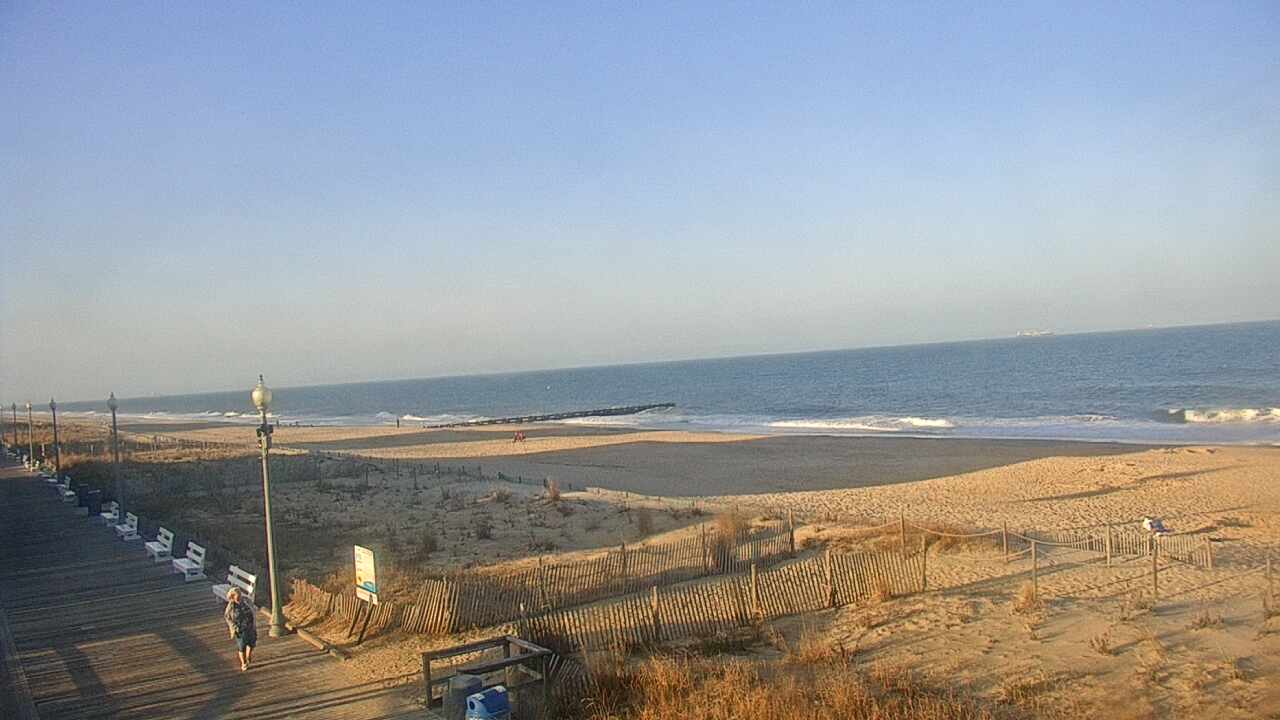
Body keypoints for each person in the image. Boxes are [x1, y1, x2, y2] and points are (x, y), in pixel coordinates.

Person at [224, 587, 257, 671]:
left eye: (240, 594)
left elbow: (252, 609)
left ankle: (248, 654)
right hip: (239, 628)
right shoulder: (231, 607)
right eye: (237, 595)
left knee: (252, 643)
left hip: (250, 625)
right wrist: (234, 626)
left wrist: (253, 621)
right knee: (241, 646)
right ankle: (243, 663)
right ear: (233, 597)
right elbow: (227, 617)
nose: (239, 596)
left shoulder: (247, 601)